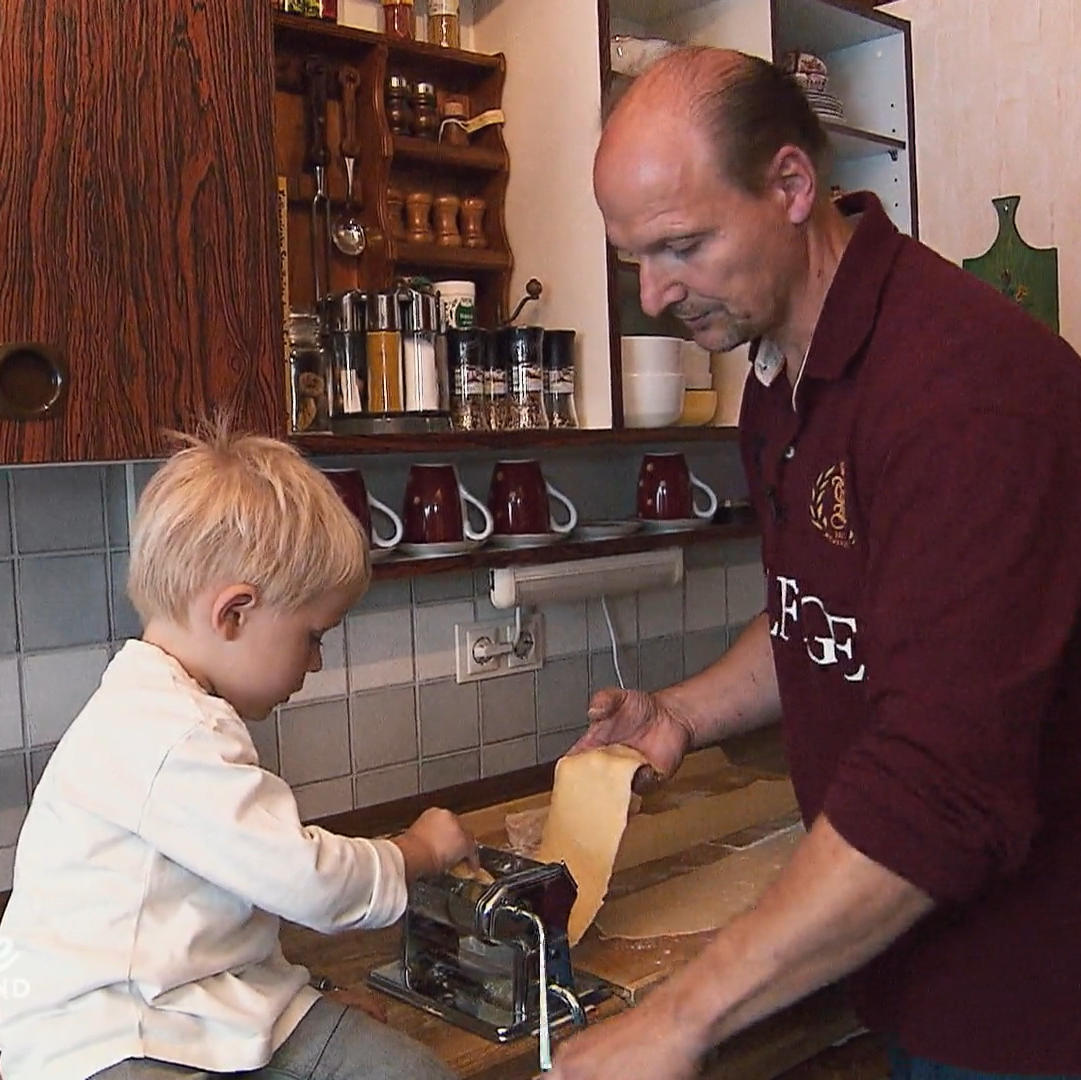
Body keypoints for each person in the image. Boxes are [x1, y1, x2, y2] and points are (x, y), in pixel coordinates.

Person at [549, 46, 1081, 1080]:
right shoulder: (782, 377)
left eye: (682, 247)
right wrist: (683, 717)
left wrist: (678, 1019)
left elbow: (940, 787)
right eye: (633, 261)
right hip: (902, 954)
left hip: (1032, 996)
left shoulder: (967, 395)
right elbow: (822, 613)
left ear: (791, 186)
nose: (653, 295)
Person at [0, 425, 476, 1080]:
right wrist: (415, 852)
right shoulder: (165, 732)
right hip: (112, 1030)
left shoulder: (174, 706)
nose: (315, 661)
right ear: (233, 615)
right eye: (313, 636)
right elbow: (306, 880)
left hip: (215, 998)